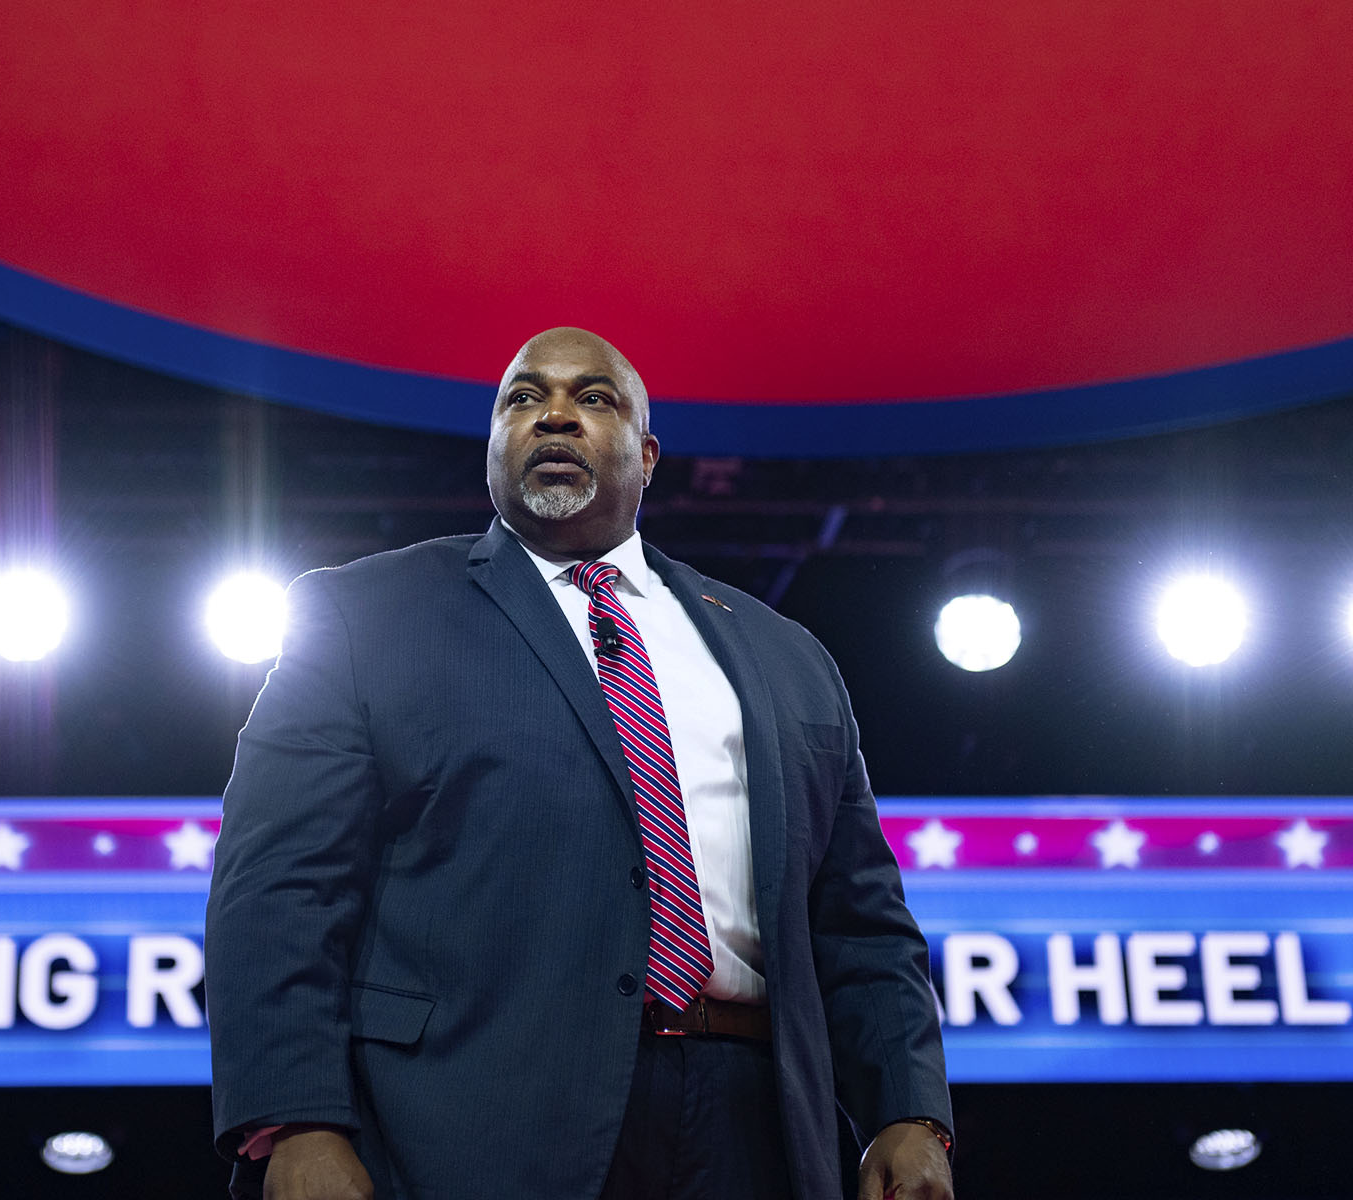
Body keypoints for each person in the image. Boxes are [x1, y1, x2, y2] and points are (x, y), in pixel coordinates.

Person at [206, 328, 954, 1199]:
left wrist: (908, 1110)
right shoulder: (360, 615)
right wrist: (295, 1123)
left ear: (647, 454)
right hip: (465, 1120)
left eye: (593, 398)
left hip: (758, 1128)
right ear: (492, 444)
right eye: (523, 399)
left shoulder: (785, 654)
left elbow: (860, 918)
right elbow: (279, 890)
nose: (554, 415)